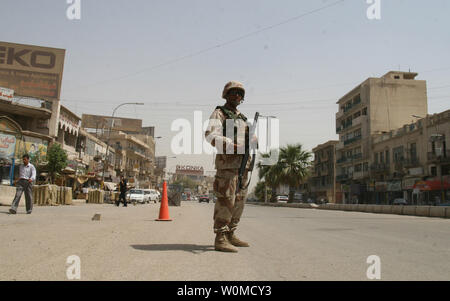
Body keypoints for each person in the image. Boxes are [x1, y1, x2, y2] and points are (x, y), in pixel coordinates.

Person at [205, 81, 254, 253]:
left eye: (239, 94)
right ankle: (220, 237)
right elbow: (211, 135)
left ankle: (231, 234)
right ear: (226, 94)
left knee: (239, 202)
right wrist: (231, 145)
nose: (237, 96)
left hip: (243, 167)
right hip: (227, 166)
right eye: (233, 92)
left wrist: (253, 140)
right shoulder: (219, 113)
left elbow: (251, 141)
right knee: (226, 201)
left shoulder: (242, 118)